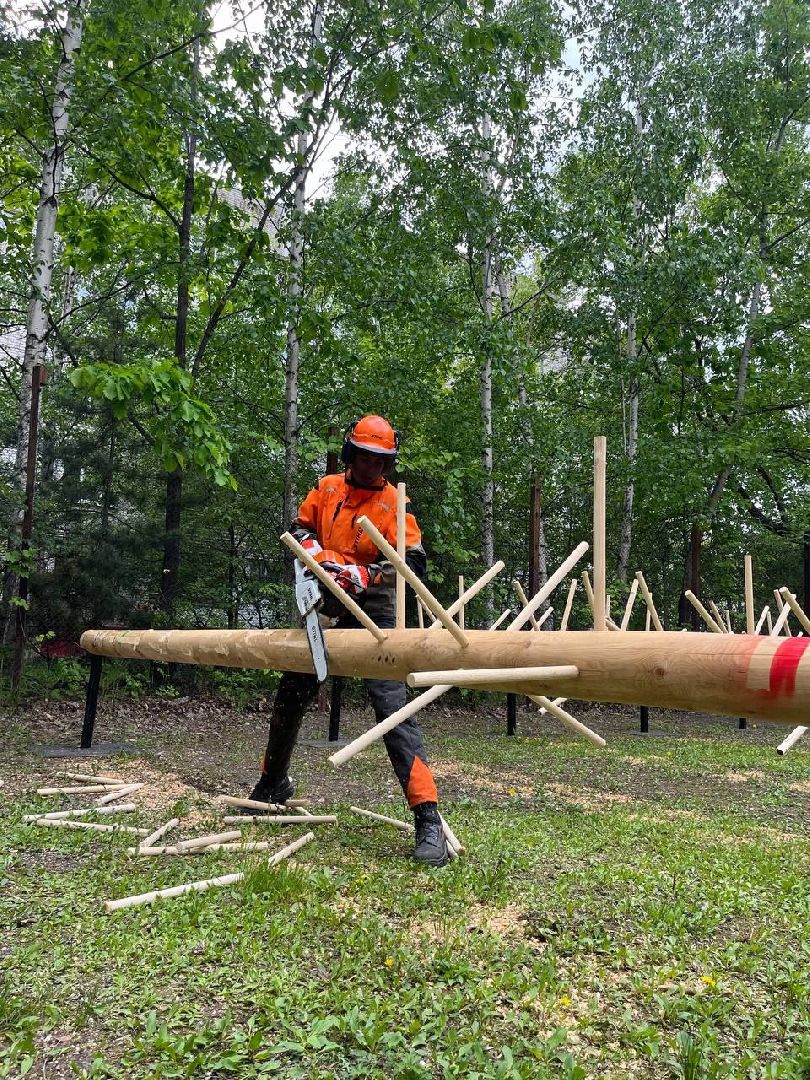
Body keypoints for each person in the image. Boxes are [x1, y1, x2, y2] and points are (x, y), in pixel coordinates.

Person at [248, 415, 449, 867]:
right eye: (363, 457)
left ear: (388, 463)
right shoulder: (327, 489)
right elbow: (299, 528)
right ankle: (271, 783)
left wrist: (368, 572)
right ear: (350, 454)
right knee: (293, 688)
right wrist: (315, 553)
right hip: (324, 595)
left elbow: (413, 563)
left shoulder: (394, 503)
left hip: (373, 605)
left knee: (392, 707)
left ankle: (427, 818)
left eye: (379, 461)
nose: (370, 467)